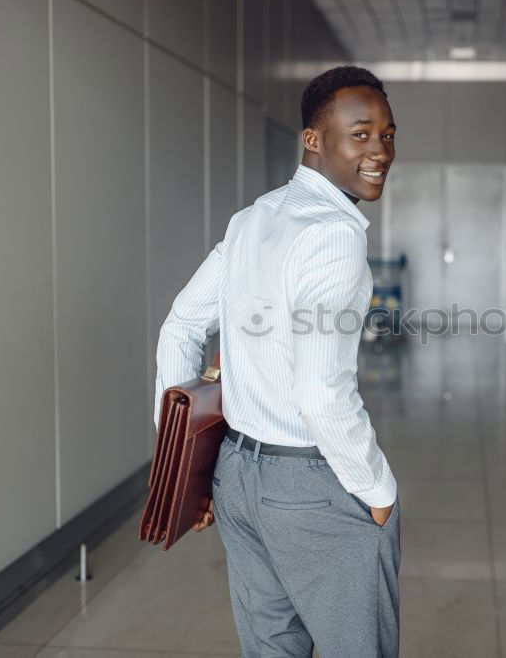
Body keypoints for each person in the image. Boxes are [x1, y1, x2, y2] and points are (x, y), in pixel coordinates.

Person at [153, 66, 400, 657]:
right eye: (360, 134)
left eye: (388, 135)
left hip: (236, 477)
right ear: (314, 140)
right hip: (311, 485)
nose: (381, 152)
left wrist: (183, 459)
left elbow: (180, 326)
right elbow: (322, 391)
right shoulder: (335, 236)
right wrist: (377, 488)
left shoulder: (252, 219)